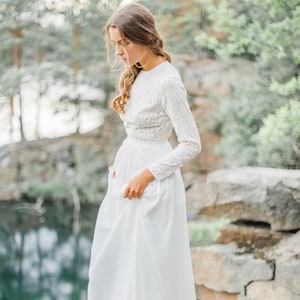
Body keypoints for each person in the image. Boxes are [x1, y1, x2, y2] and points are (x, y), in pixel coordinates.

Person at [87, 3, 201, 300]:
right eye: (115, 44)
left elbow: (191, 143)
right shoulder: (137, 73)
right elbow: (139, 133)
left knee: (148, 270)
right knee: (116, 262)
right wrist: (120, 162)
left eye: (124, 43)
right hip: (126, 177)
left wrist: (146, 175)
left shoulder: (168, 81)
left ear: (144, 36)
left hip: (153, 184)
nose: (119, 52)